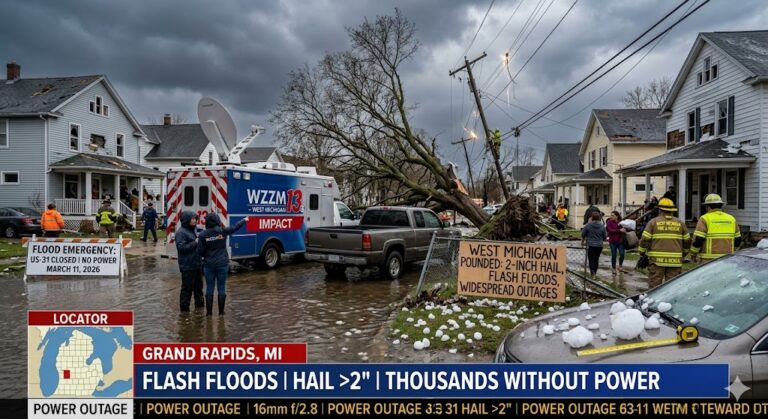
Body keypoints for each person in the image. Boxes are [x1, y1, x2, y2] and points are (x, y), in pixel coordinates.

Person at [197, 213, 247, 316]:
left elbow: (200, 252)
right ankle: (221, 313)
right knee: (221, 287)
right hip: (222, 263)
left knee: (209, 287)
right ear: (217, 220)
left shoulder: (202, 235)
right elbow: (235, 227)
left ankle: (209, 314)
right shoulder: (223, 231)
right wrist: (244, 220)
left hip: (208, 264)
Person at [637, 198, 690, 288]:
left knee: (655, 287)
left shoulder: (653, 222)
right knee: (672, 287)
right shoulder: (681, 223)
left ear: (660, 210)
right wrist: (683, 254)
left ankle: (654, 302)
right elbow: (687, 241)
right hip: (675, 261)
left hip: (656, 261)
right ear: (672, 210)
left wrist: (642, 253)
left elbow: (644, 239)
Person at [690, 193, 741, 262]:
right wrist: (733, 250)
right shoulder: (731, 219)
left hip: (708, 260)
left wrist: (693, 253)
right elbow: (738, 239)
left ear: (708, 207)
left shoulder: (705, 218)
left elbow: (698, 239)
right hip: (727, 258)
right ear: (721, 205)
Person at [175, 211, 204, 312]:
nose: (195, 220)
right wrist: (195, 242)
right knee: (187, 289)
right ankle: (184, 312)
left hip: (197, 264)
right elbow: (181, 248)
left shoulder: (194, 229)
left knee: (199, 289)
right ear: (187, 220)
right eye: (192, 219)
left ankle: (200, 309)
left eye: (195, 218)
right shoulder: (180, 232)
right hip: (187, 266)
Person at [581, 212, 607, 279]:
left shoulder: (588, 225)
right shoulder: (602, 226)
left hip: (590, 245)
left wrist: (584, 239)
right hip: (599, 245)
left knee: (591, 259)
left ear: (592, 218)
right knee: (596, 259)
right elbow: (605, 236)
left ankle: (592, 273)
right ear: (599, 218)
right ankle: (595, 272)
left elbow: (583, 234)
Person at [606, 210, 626, 275]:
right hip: (612, 242)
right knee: (614, 255)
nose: (611, 216)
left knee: (622, 254)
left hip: (620, 242)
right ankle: (613, 268)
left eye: (613, 215)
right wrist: (619, 230)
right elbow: (610, 230)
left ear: (617, 216)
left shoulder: (621, 222)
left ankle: (620, 266)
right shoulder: (609, 222)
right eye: (611, 215)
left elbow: (624, 230)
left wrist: (623, 231)